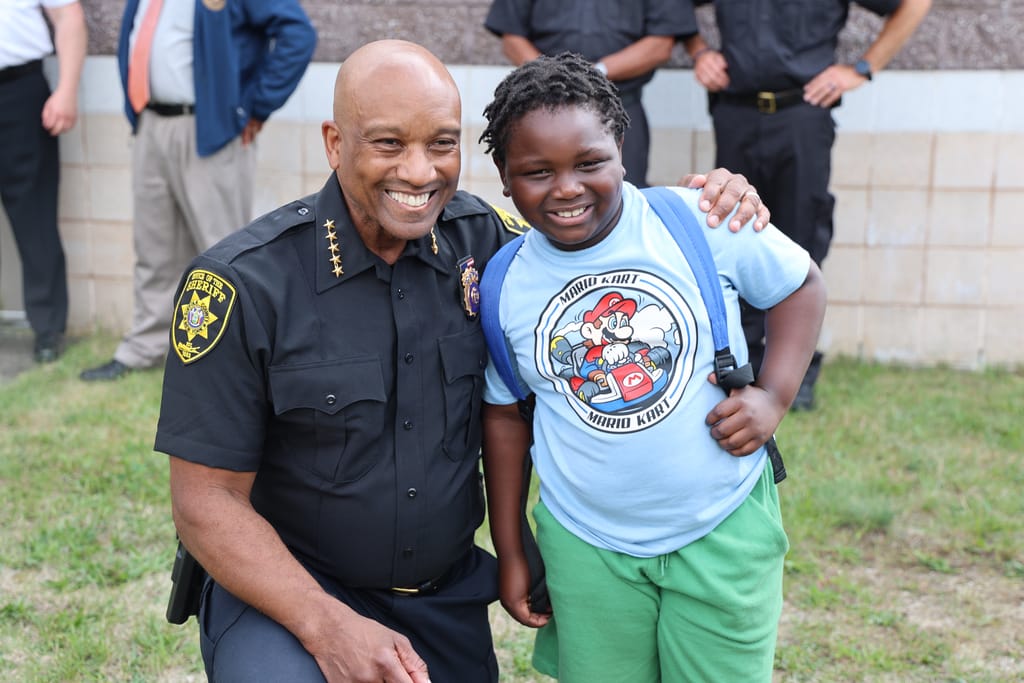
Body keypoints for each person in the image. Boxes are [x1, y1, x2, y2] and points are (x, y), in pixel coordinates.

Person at [153, 39, 773, 683]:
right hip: (291, 597)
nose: (419, 172)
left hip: (442, 602)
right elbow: (206, 502)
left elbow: (597, 218)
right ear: (335, 143)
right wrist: (326, 625)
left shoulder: (493, 249)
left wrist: (713, 203)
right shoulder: (242, 285)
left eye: (442, 144)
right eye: (389, 144)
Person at [478, 52, 827, 682]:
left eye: (589, 163)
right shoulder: (505, 283)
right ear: (504, 176)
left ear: (621, 149)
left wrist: (774, 396)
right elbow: (505, 416)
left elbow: (800, 285)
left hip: (721, 525)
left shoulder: (699, 219)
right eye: (537, 172)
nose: (567, 188)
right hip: (586, 546)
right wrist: (511, 546)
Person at [682, 0, 931, 409]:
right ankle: (740, 366)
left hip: (802, 115)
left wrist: (862, 68)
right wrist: (699, 51)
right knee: (730, 235)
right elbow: (666, 9)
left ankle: (795, 376)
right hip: (736, 114)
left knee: (800, 243)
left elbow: (914, 5)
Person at [79, 0, 316, 381]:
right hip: (150, 123)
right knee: (154, 248)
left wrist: (256, 106)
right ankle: (147, 346)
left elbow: (298, 35)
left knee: (225, 252)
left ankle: (235, 358)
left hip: (210, 130)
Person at [483, 0, 693, 188]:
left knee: (625, 192)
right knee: (545, 193)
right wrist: (552, 76)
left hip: (620, 108)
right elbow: (512, 39)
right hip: (543, 109)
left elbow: (660, 45)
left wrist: (595, 73)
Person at [0, 0, 87, 363]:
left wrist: (67, 89)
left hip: (17, 91)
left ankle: (48, 328)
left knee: (34, 214)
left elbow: (69, 16)